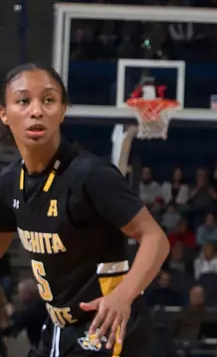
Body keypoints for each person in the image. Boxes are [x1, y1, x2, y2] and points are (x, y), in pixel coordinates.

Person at [0, 64, 169, 355]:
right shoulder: (8, 183)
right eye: (23, 101)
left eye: (49, 100)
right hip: (57, 326)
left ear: (64, 110)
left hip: (108, 324)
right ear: (4, 113)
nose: (37, 110)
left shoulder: (90, 174)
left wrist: (123, 296)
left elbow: (156, 239)